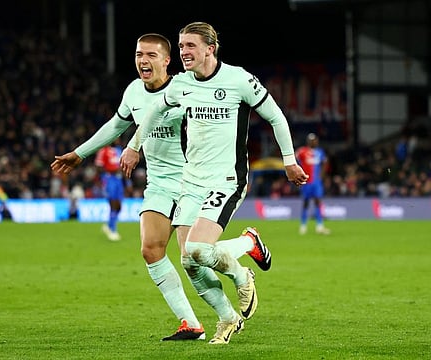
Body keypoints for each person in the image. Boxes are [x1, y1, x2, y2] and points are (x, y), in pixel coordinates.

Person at [51, 33, 271, 342]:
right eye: (139, 54)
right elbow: (116, 125)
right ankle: (198, 322)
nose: (143, 60)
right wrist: (79, 153)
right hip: (158, 183)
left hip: (191, 181)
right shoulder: (133, 92)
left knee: (192, 256)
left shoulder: (188, 90)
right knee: (150, 249)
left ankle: (247, 246)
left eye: (151, 55)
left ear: (167, 61)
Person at [124, 22, 308, 344]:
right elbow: (153, 112)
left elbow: (276, 116)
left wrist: (289, 160)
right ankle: (227, 318)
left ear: (211, 48)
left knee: (197, 248)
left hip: (226, 179)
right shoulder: (181, 85)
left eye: (190, 46)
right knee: (189, 261)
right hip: (191, 180)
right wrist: (133, 145)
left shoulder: (238, 80)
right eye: (181, 47)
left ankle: (244, 259)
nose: (184, 52)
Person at [94, 139, 131, 241]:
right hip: (109, 179)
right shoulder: (103, 151)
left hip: (119, 180)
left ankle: (109, 225)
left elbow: (122, 166)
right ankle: (112, 230)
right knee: (113, 204)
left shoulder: (119, 150)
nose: (117, 138)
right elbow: (98, 167)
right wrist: (112, 171)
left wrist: (127, 182)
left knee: (118, 206)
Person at [295, 133, 331, 235]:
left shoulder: (320, 152)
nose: (314, 142)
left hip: (316, 182)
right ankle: (303, 226)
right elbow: (294, 160)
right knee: (306, 202)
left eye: (315, 140)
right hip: (306, 181)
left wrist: (322, 176)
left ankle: (319, 226)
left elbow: (325, 163)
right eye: (311, 140)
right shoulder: (302, 151)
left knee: (318, 201)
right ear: (308, 142)